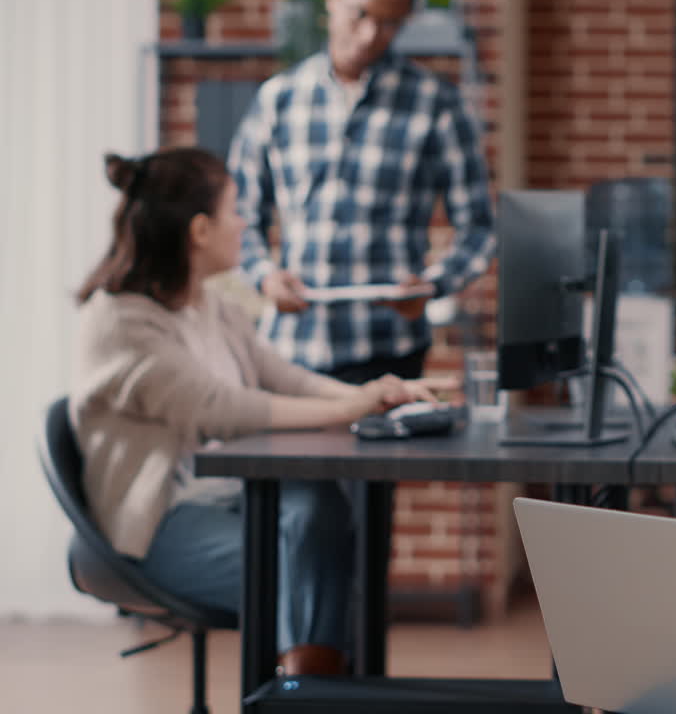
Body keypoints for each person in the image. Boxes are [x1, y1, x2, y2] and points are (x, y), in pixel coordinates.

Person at [70, 148, 436, 676]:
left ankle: (317, 684)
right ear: (200, 230)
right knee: (307, 570)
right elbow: (219, 409)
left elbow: (280, 375)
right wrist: (350, 406)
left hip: (226, 496)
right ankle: (309, 690)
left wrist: (376, 396)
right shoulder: (120, 323)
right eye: (234, 211)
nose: (245, 224)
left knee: (321, 509)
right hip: (159, 524)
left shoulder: (209, 302)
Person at [229, 0, 495, 383]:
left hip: (390, 350)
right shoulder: (278, 98)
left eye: (390, 23)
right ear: (333, 1)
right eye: (361, 15)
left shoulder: (436, 102)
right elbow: (238, 214)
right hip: (291, 349)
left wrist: (434, 284)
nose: (372, 34)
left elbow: (479, 227)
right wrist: (264, 276)